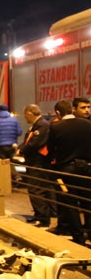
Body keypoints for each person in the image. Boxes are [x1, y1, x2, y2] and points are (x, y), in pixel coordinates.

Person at [47, 99, 91, 246]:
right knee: (87, 202)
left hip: (66, 170)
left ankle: (78, 237)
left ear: (58, 113)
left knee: (71, 204)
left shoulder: (57, 127)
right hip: (86, 169)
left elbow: (51, 149)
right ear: (72, 110)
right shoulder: (88, 125)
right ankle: (90, 232)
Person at [17, 104, 55, 226]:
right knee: (33, 190)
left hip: (39, 163)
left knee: (37, 190)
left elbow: (35, 143)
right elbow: (28, 141)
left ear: (30, 114)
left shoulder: (42, 126)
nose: (25, 119)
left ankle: (43, 219)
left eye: (25, 116)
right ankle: (38, 215)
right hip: (33, 162)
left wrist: (22, 150)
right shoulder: (37, 125)